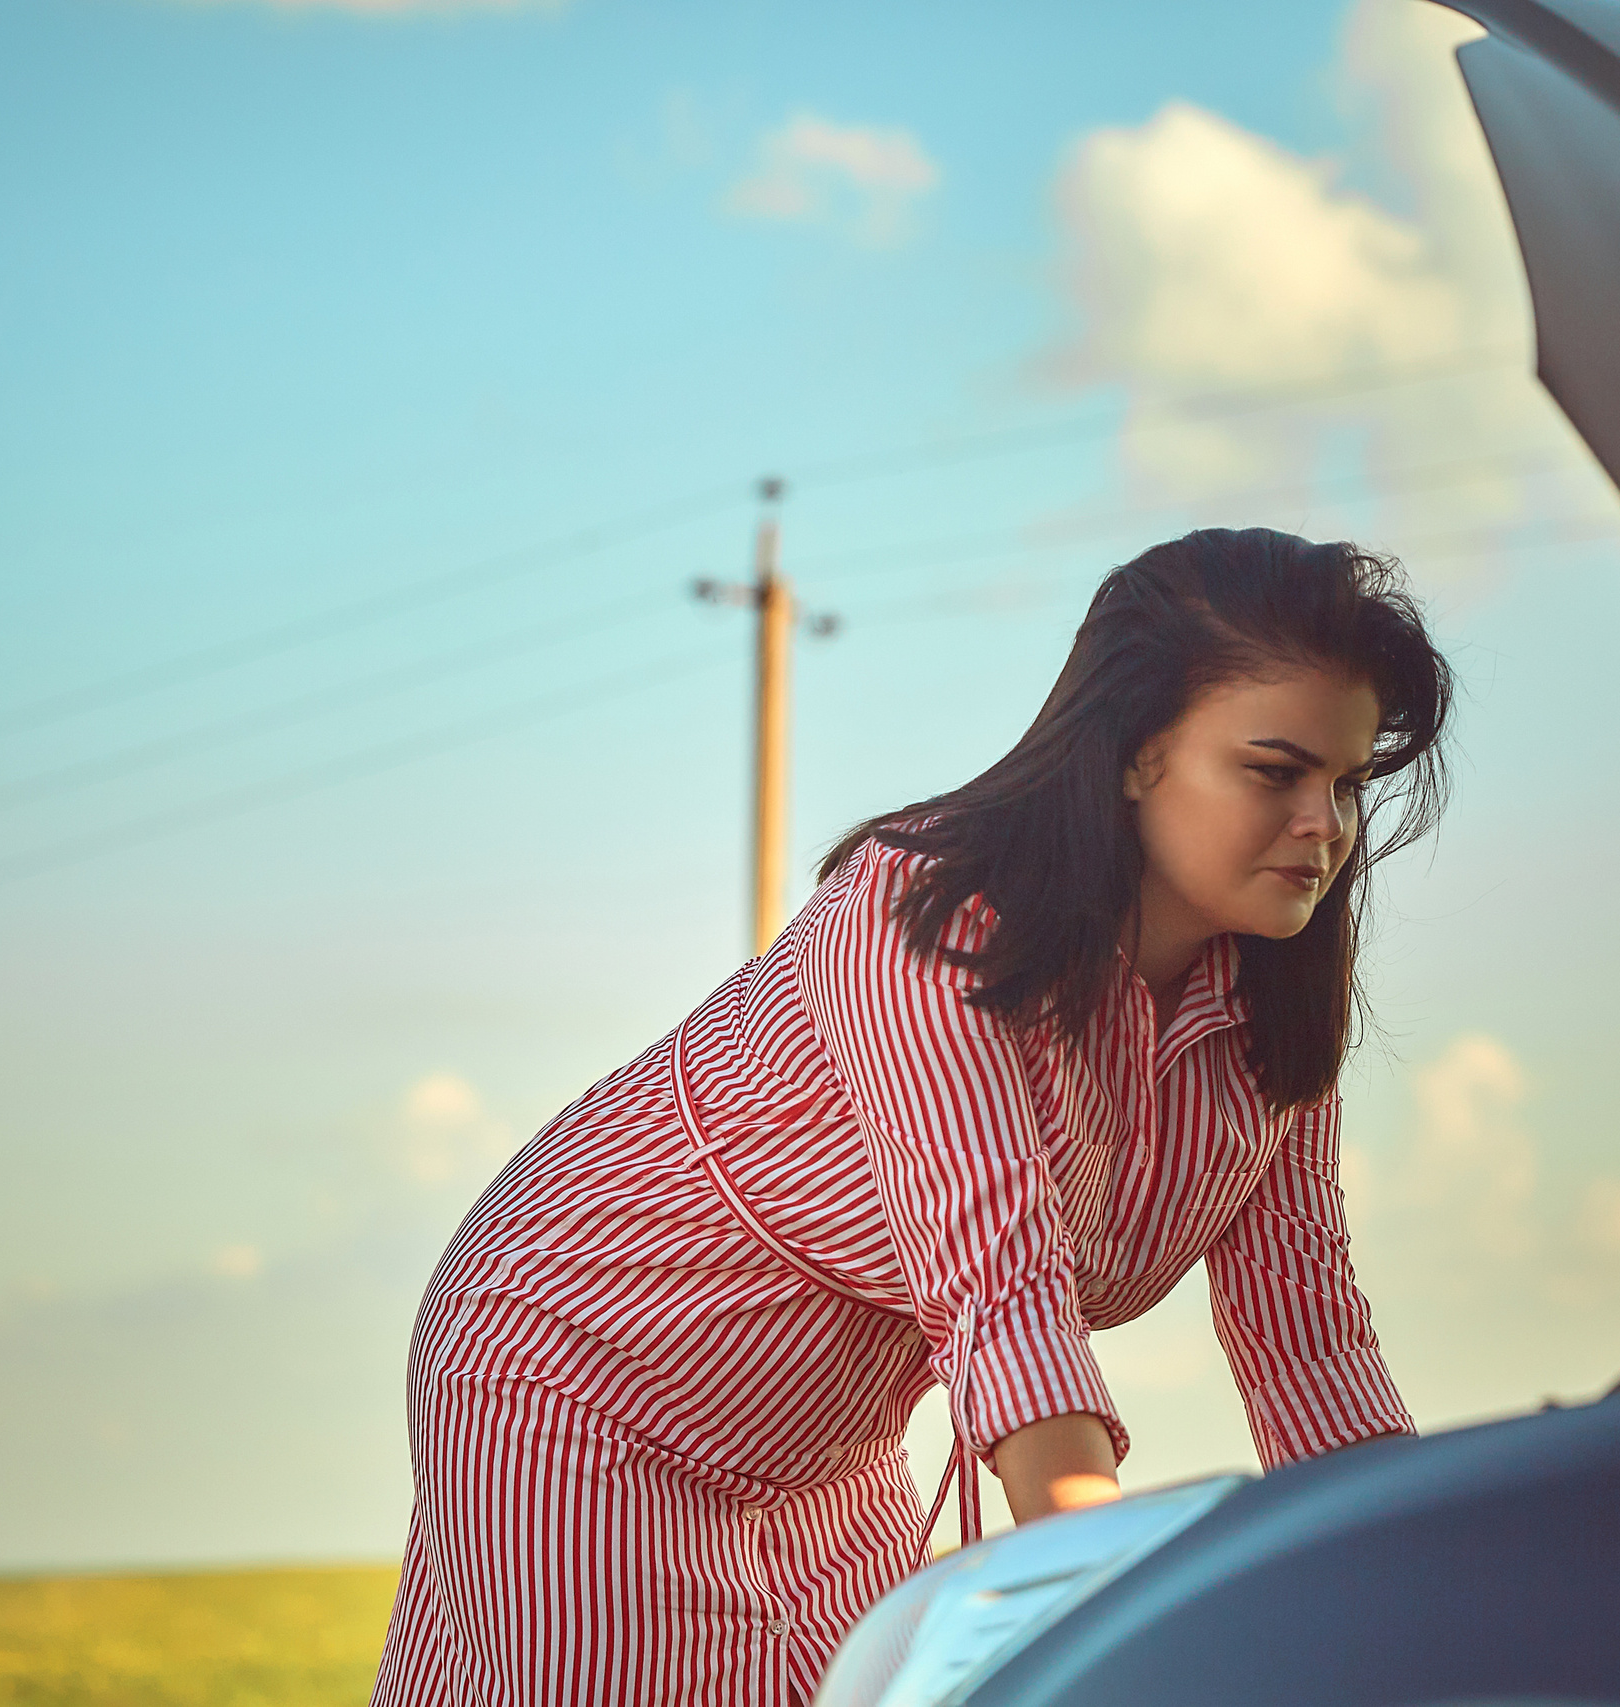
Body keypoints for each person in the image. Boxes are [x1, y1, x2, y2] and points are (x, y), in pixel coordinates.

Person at [368, 525, 1453, 1707]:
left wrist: (1438, 1611)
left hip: (828, 1461)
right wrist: (1123, 1624)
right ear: (1139, 754)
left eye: (1346, 783)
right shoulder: (919, 914)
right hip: (577, 1376)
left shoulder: (1266, 1013)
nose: (1324, 824)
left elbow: (1310, 1343)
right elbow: (1002, 1291)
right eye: (1273, 770)